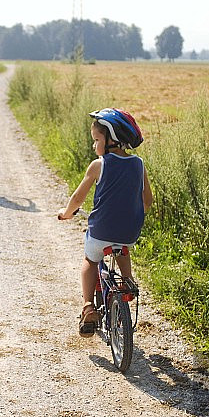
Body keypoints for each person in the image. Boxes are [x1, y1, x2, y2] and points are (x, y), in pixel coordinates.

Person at [57, 108, 153, 337]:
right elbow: (147, 200)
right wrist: (135, 214)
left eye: (97, 140)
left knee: (90, 261)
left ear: (111, 140)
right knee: (122, 249)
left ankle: (88, 307)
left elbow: (78, 198)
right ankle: (127, 281)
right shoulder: (139, 164)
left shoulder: (98, 165)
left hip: (101, 232)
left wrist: (66, 213)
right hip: (130, 232)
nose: (94, 145)